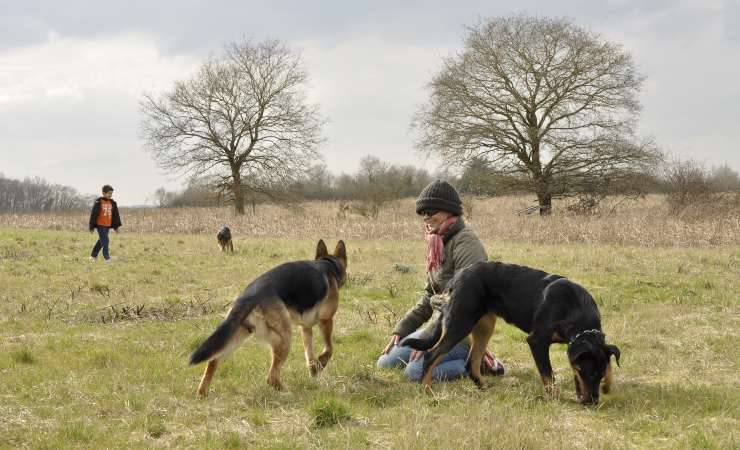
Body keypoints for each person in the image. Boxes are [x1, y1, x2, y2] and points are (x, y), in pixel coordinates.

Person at [377, 179, 505, 381]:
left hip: (463, 333)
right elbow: (430, 295)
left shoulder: (466, 242)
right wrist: (403, 329)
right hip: (439, 327)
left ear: (449, 211)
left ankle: (477, 363)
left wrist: (431, 337)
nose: (426, 217)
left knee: (415, 373)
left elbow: (464, 301)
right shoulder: (437, 242)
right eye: (423, 212)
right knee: (385, 362)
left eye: (432, 211)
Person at [88, 184, 122, 262]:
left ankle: (93, 256)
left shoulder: (112, 203)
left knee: (101, 241)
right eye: (109, 193)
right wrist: (91, 226)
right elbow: (94, 214)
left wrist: (116, 227)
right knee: (106, 240)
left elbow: (115, 216)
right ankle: (107, 258)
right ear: (103, 193)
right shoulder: (99, 202)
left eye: (111, 193)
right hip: (100, 225)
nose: (110, 195)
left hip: (107, 225)